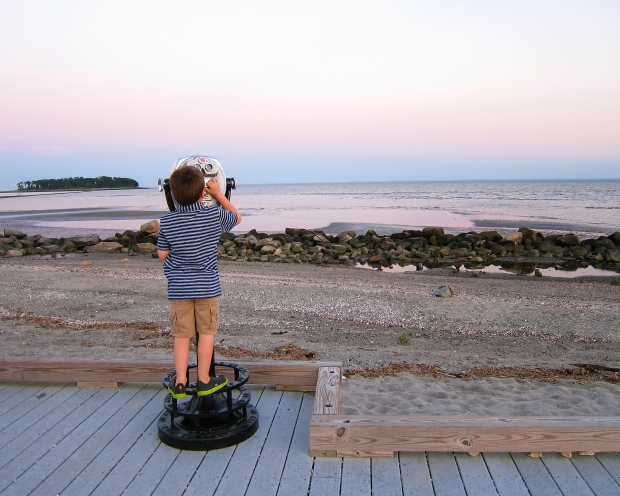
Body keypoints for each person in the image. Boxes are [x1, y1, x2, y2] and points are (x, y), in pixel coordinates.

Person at [157, 166, 241, 399]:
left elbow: (162, 254)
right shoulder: (213, 215)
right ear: (202, 192)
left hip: (179, 289)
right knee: (206, 333)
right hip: (207, 287)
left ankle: (181, 382)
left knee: (181, 335)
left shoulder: (167, 222)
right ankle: (204, 379)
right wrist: (219, 194)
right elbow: (236, 217)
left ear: (172, 193)